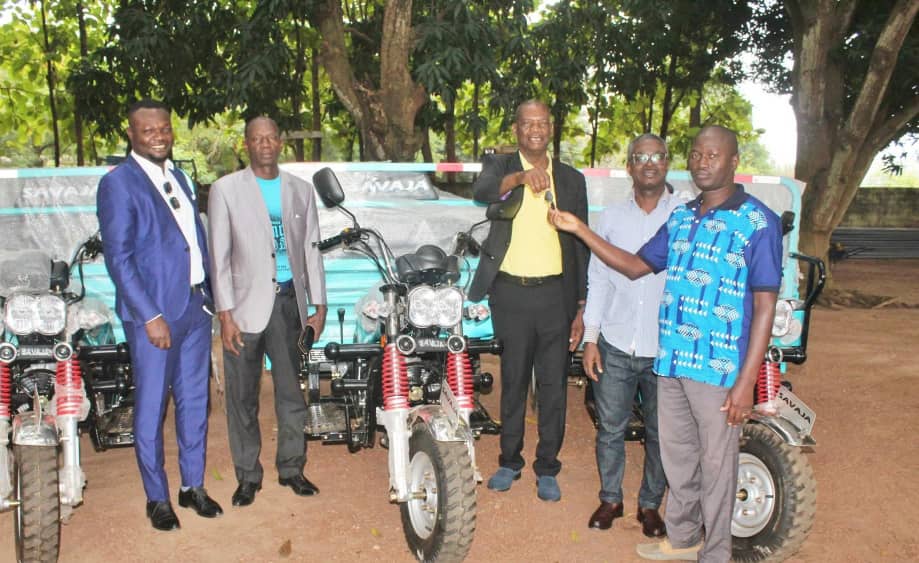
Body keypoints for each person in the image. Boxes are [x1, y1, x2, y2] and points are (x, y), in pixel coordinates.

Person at [550, 125, 782, 562]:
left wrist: (746, 380)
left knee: (716, 465)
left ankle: (715, 553)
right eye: (697, 154)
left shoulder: (757, 221)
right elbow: (635, 266)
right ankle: (682, 538)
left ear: (734, 161)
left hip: (718, 368)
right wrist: (580, 229)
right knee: (678, 458)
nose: (703, 162)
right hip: (671, 360)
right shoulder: (682, 217)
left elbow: (765, 303)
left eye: (713, 155)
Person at [96, 99, 222, 531]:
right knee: (151, 409)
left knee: (194, 404)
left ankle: (192, 488)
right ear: (130, 134)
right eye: (148, 131)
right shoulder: (119, 184)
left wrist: (210, 296)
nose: (160, 136)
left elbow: (193, 241)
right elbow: (119, 259)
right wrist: (149, 315)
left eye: (165, 129)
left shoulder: (182, 177)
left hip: (193, 308)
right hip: (155, 318)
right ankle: (157, 498)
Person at [468, 100, 589, 502]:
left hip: (557, 295)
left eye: (542, 123)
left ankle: (547, 467)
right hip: (511, 293)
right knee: (514, 380)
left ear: (551, 128)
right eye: (527, 123)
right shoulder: (501, 168)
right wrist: (520, 176)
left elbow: (581, 248)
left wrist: (581, 306)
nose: (535, 129)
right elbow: (481, 192)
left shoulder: (571, 180)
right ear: (517, 130)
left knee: (554, 385)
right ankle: (509, 460)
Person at [208, 116, 327, 507]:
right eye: (256, 139)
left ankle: (292, 468)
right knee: (242, 397)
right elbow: (219, 257)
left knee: (292, 393)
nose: (264, 144)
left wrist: (319, 303)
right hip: (242, 309)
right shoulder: (226, 190)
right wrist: (225, 315)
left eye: (271, 137)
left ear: (280, 143)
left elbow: (311, 248)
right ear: (246, 145)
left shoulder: (300, 190)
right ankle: (247, 476)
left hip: (289, 304)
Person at [583, 134, 681, 536]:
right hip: (617, 341)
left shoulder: (685, 215)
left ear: (668, 163)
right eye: (640, 157)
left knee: (661, 432)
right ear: (629, 167)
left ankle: (650, 506)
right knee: (611, 428)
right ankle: (611, 499)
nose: (649, 163)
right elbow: (599, 278)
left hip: (665, 347)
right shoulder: (610, 218)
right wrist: (591, 337)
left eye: (657, 156)